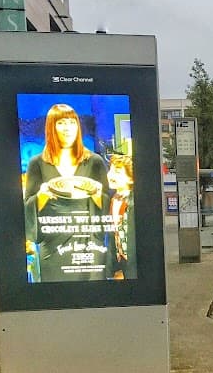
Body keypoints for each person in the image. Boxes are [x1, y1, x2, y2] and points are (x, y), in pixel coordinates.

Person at [24, 103, 109, 282]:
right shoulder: (37, 163)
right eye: (61, 122)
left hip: (89, 244)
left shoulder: (95, 161)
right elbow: (27, 206)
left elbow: (109, 203)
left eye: (72, 122)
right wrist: (42, 195)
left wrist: (98, 196)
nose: (68, 128)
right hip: (52, 245)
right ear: (51, 127)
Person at [106, 154, 136, 280]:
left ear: (131, 179)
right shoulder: (114, 199)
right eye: (111, 170)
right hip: (122, 259)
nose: (111, 175)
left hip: (134, 261)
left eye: (117, 171)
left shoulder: (134, 202)